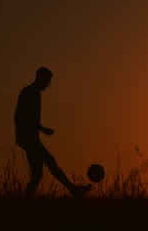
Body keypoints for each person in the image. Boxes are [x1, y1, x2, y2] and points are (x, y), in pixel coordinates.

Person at [14, 67, 91, 197]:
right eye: (47, 81)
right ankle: (73, 190)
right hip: (28, 139)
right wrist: (40, 129)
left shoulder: (36, 93)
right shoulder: (29, 92)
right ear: (40, 78)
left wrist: (39, 130)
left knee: (37, 175)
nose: (47, 84)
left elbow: (30, 118)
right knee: (50, 161)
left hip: (32, 138)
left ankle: (26, 198)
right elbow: (20, 116)